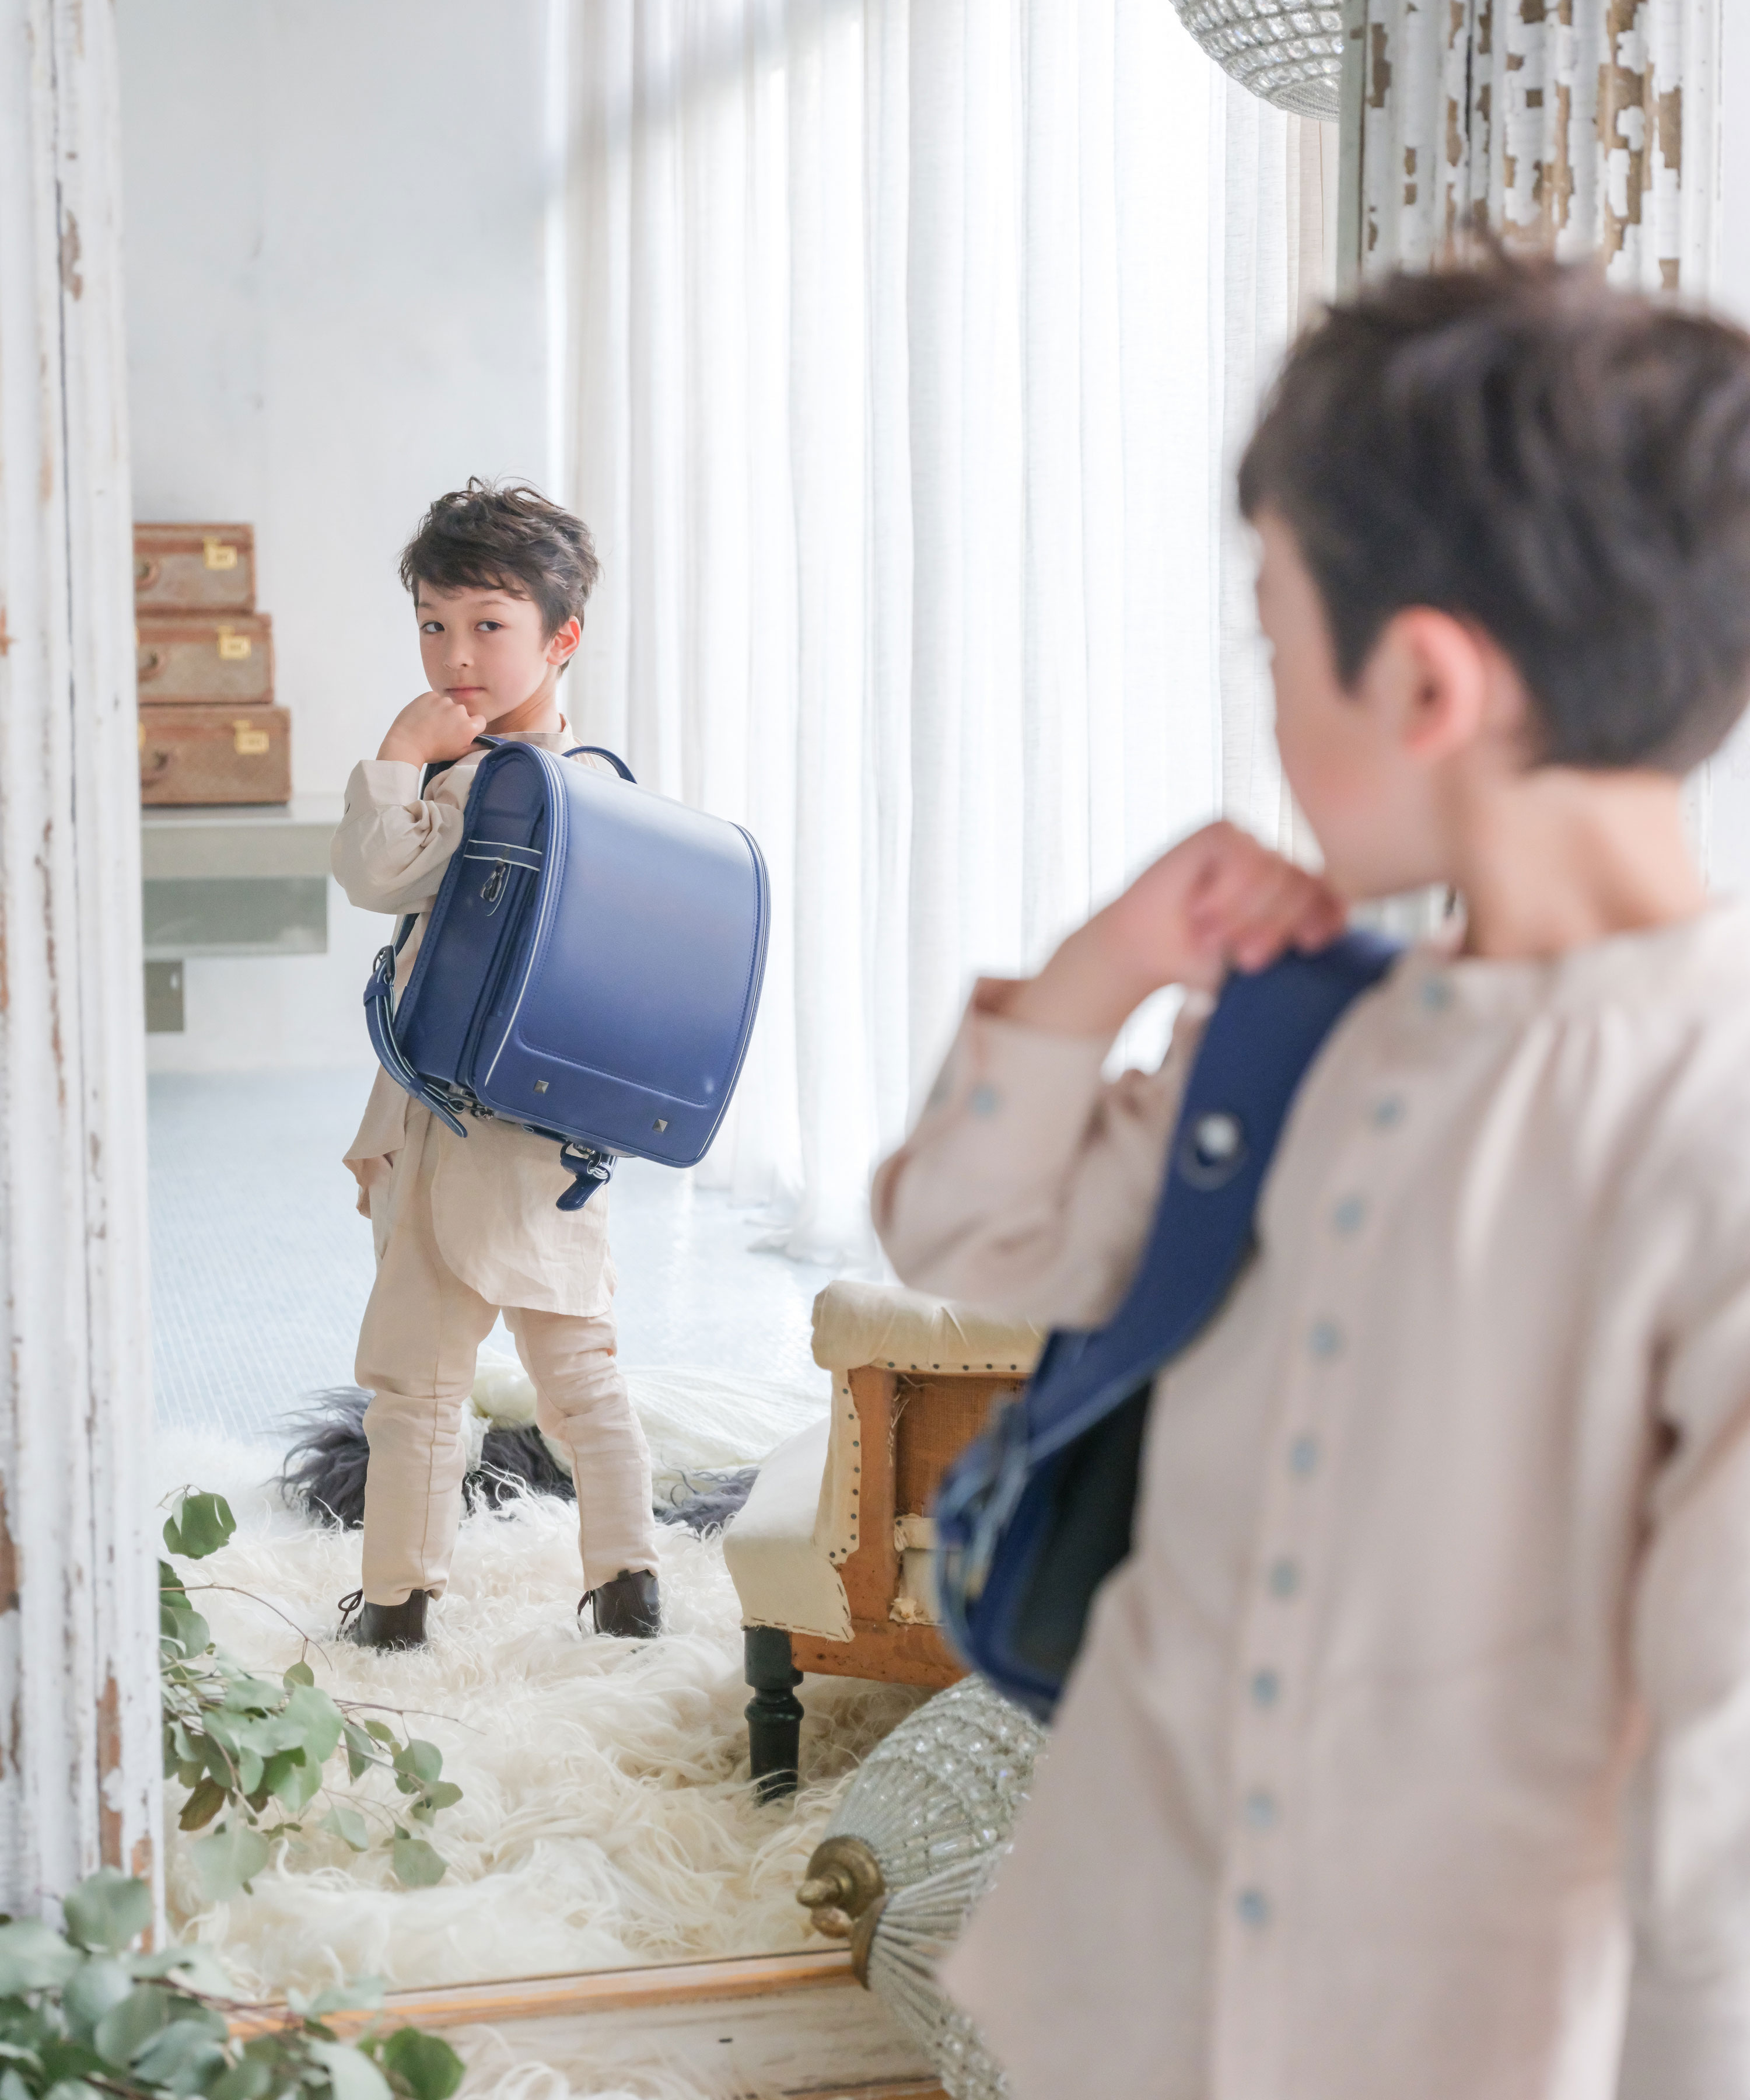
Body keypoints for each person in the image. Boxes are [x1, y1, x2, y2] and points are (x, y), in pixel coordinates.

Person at [873, 256, 1750, 2100]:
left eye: (1274, 644)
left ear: (1422, 678)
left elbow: (1722, 1824)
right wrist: (1112, 961)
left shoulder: (1707, 1123)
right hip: (1128, 1979)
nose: (1270, 697)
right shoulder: (1312, 1027)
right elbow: (967, 1226)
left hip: (1467, 2035)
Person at [331, 478, 661, 1651]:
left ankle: (397, 1602)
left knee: (415, 1378)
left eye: (489, 624)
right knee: (579, 1369)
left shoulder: (476, 783)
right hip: (555, 1130)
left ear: (560, 638)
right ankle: (630, 1578)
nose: (454, 654)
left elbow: (375, 871)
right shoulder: (602, 787)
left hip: (452, 1125)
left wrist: (400, 751)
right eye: (433, 623)